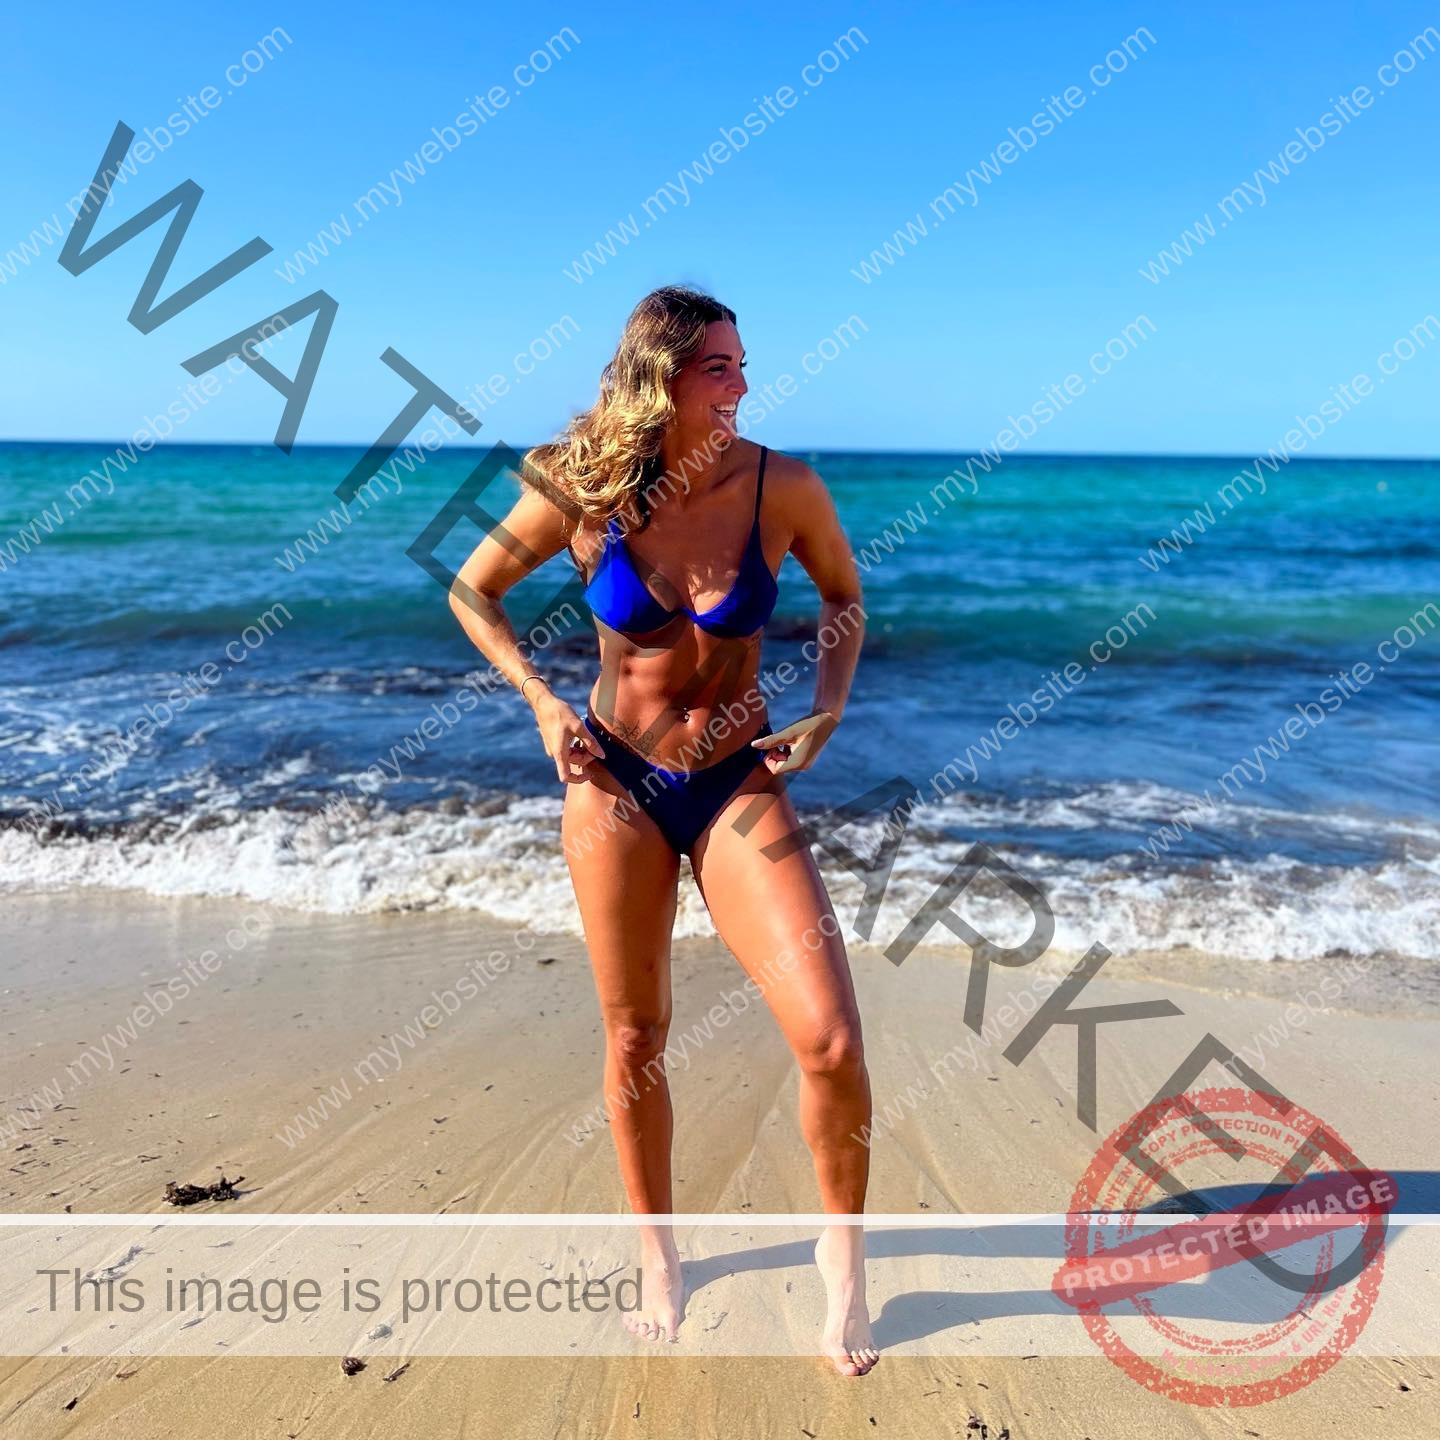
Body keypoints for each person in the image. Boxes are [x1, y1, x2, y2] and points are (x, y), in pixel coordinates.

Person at [449, 285, 877, 1375]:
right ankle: (660, 1254)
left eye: (742, 365)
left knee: (828, 1036)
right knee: (636, 1037)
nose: (743, 385)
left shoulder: (784, 484)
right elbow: (474, 590)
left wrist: (829, 704)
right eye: (721, 368)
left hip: (737, 779)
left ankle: (844, 1259)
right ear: (663, 378)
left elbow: (842, 599)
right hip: (614, 784)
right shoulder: (580, 486)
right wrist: (543, 705)